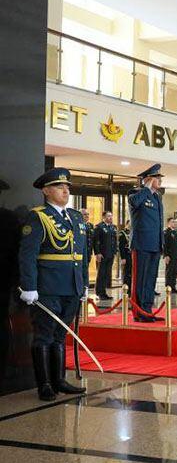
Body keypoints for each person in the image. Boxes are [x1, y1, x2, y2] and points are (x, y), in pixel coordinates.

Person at [17, 168, 87, 401]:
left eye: (67, 187)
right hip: (48, 288)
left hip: (72, 287)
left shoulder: (75, 217)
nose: (66, 191)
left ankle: (59, 380)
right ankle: (45, 384)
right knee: (44, 335)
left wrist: (84, 284)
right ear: (46, 191)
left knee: (60, 335)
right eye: (59, 186)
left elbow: (82, 255)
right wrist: (29, 286)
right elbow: (27, 255)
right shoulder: (38, 217)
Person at [128, 164, 164, 322]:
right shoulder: (136, 193)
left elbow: (159, 222)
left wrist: (161, 243)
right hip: (141, 244)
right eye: (157, 178)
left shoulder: (157, 197)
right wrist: (146, 188)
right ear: (148, 179)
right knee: (140, 279)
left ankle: (148, 310)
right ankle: (139, 312)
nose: (160, 181)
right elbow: (135, 203)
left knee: (150, 280)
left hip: (155, 244)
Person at [92, 210, 117, 300]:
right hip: (102, 254)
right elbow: (95, 241)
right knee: (101, 274)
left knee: (107, 274)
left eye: (111, 216)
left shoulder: (113, 227)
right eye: (108, 216)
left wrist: (115, 251)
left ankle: (104, 292)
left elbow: (114, 240)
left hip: (110, 254)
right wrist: (97, 253)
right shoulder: (99, 227)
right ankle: (99, 292)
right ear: (103, 217)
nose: (110, 218)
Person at [162, 217, 177, 293]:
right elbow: (165, 245)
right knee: (169, 272)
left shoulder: (176, 232)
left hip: (176, 255)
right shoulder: (166, 232)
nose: (174, 223)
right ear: (168, 223)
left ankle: (173, 286)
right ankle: (168, 287)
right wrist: (166, 255)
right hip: (169, 255)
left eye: (175, 222)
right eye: (172, 222)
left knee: (175, 271)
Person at [81, 209, 93, 287]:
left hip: (88, 251)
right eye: (85, 214)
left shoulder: (90, 225)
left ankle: (85, 287)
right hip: (80, 252)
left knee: (86, 269)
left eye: (88, 214)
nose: (87, 216)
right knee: (80, 270)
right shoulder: (77, 224)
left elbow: (92, 239)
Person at [118, 223, 131, 291]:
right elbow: (121, 247)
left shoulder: (132, 232)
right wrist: (123, 257)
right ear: (127, 224)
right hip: (126, 255)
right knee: (126, 272)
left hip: (132, 255)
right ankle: (126, 287)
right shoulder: (122, 233)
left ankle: (131, 287)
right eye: (129, 224)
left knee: (131, 272)